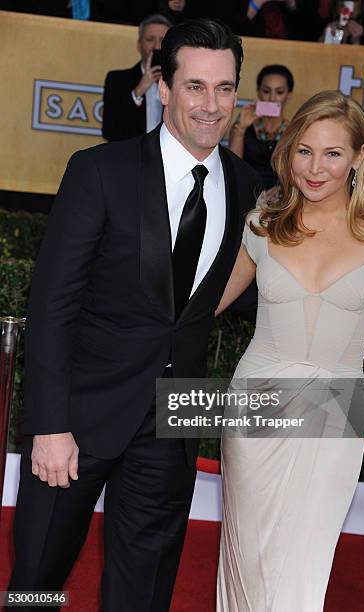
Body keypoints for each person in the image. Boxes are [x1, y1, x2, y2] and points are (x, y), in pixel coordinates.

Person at [7, 18, 260, 612]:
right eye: (195, 86)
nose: (211, 104)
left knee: (142, 594)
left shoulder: (249, 188)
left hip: (170, 425)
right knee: (37, 582)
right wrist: (48, 424)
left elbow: (248, 296)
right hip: (77, 419)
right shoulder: (101, 171)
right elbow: (52, 305)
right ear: (165, 88)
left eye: (225, 88)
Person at [215, 90, 364, 611]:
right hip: (257, 406)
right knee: (248, 559)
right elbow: (199, 307)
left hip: (336, 411)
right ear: (287, 152)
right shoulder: (262, 224)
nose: (315, 168)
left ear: (359, 158)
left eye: (332, 153)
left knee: (303, 564)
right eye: (304, 151)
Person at [102, 14, 171, 141]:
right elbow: (110, 131)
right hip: (129, 157)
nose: (156, 47)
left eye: (162, 40)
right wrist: (137, 93)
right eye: (150, 39)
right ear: (139, 45)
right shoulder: (117, 80)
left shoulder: (178, 83)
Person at [229, 64, 293, 189]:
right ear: (258, 93)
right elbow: (232, 169)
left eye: (279, 92)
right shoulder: (243, 125)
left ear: (288, 95)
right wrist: (241, 128)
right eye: (266, 91)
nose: (272, 98)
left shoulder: (293, 131)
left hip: (281, 199)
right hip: (246, 194)